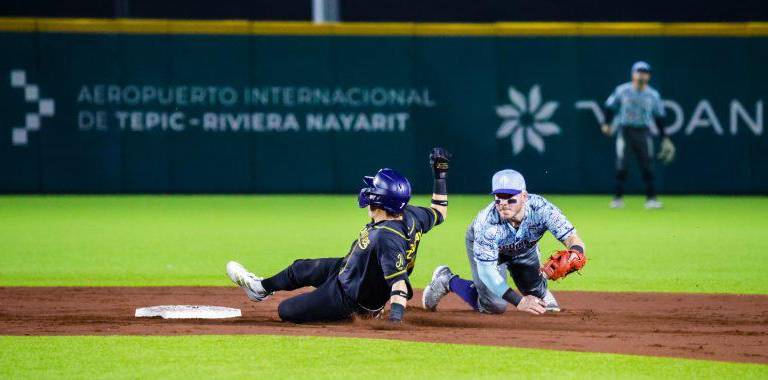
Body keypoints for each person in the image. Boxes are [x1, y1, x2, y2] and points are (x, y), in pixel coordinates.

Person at [226, 148, 451, 323]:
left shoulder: (387, 238)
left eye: (374, 188)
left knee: (287, 311)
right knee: (300, 268)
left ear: (382, 200)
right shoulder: (412, 214)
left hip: (351, 298)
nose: (369, 191)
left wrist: (394, 319)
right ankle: (260, 288)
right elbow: (440, 211)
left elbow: (399, 283)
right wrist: (439, 175)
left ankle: (365, 314)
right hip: (349, 269)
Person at [422, 169, 585, 315]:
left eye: (510, 199)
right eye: (499, 199)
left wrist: (575, 254)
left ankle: (541, 292)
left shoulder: (542, 210)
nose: (503, 204)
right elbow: (487, 273)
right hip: (493, 253)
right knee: (495, 305)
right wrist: (519, 301)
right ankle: (447, 280)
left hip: (524, 250)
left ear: (524, 196)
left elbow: (572, 238)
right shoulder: (487, 224)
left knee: (536, 293)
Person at [602, 61, 675, 209]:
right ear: (633, 74)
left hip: (643, 131)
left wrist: (664, 138)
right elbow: (610, 106)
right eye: (639, 72)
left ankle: (651, 199)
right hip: (625, 130)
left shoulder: (652, 95)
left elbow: (659, 117)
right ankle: (617, 199)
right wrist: (606, 123)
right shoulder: (622, 90)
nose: (641, 75)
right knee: (622, 165)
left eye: (645, 72)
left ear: (648, 76)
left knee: (647, 165)